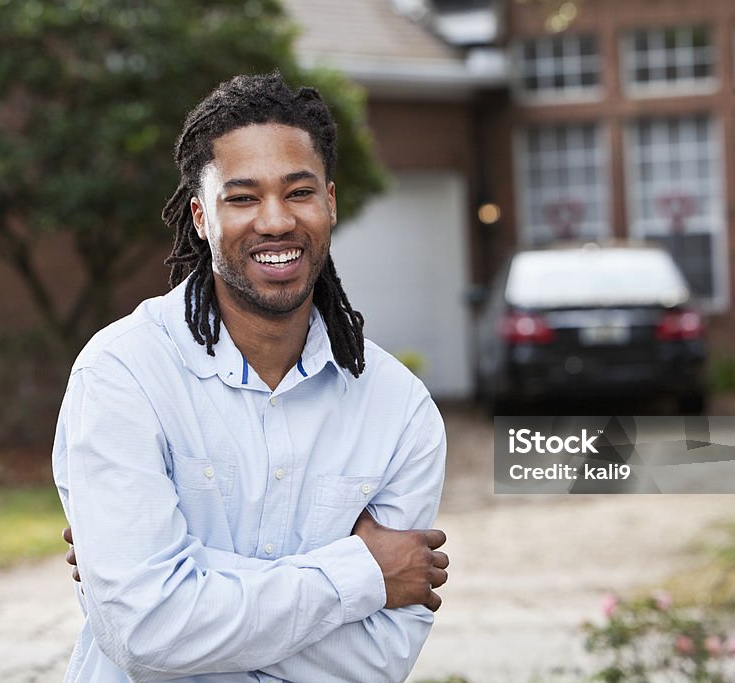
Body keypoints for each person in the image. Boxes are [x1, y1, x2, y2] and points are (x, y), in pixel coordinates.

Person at [52, 72, 449, 683]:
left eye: (299, 192)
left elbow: (376, 661)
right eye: (241, 198)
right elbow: (145, 632)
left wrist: (186, 587)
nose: (275, 221)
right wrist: (364, 574)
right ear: (200, 216)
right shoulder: (123, 375)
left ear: (331, 203)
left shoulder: (400, 409)